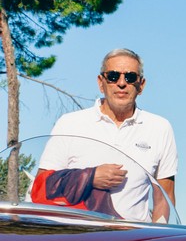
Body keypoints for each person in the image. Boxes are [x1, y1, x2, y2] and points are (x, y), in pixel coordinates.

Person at [31, 48, 178, 222]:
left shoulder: (160, 128)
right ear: (101, 83)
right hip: (77, 238)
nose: (121, 83)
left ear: (141, 85)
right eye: (113, 76)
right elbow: (42, 185)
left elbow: (164, 197)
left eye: (130, 77)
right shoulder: (70, 123)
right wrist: (90, 177)